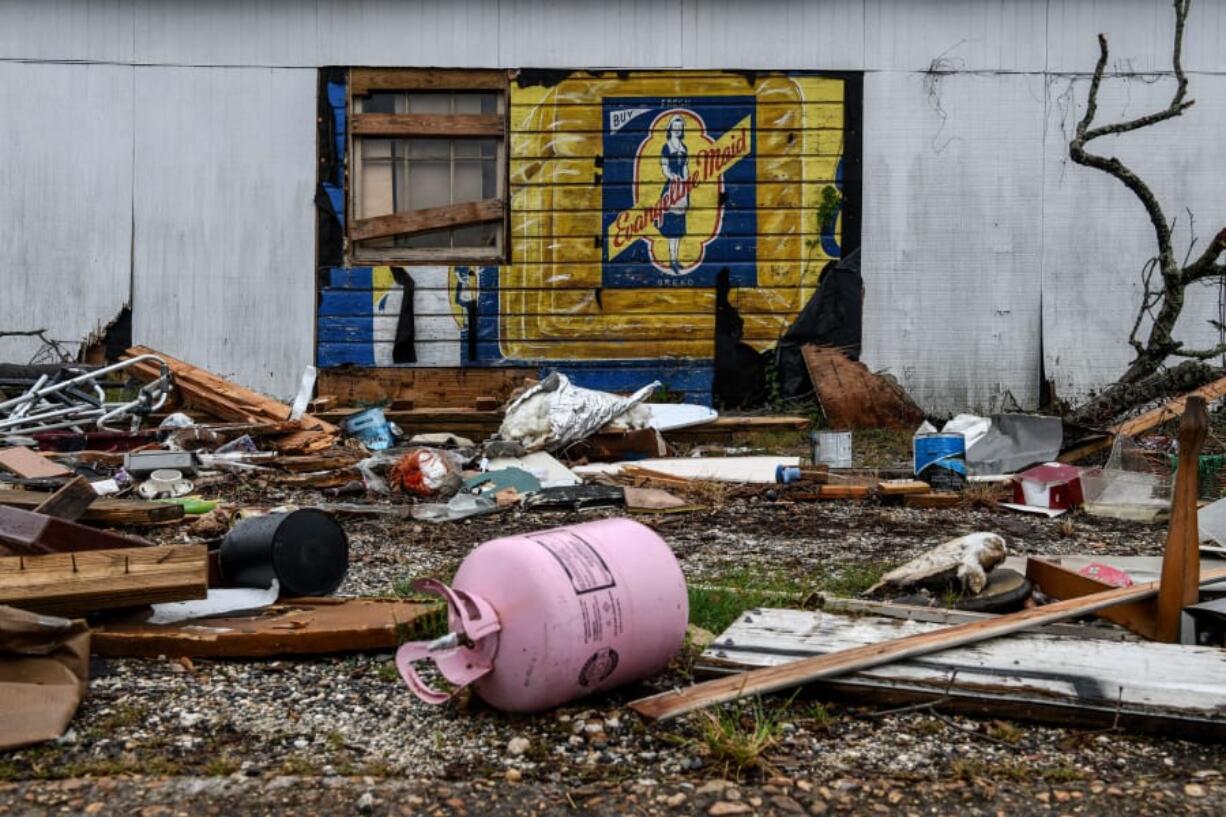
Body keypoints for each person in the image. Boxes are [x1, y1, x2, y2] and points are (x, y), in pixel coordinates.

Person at [655, 115, 689, 274]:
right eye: (674, 126)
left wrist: (686, 180)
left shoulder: (684, 147)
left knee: (679, 228)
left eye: (679, 126)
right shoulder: (666, 147)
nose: (677, 129)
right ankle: (672, 260)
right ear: (670, 128)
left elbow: (685, 168)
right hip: (671, 190)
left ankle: (676, 260)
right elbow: (665, 169)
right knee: (672, 229)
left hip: (681, 190)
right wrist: (673, 177)